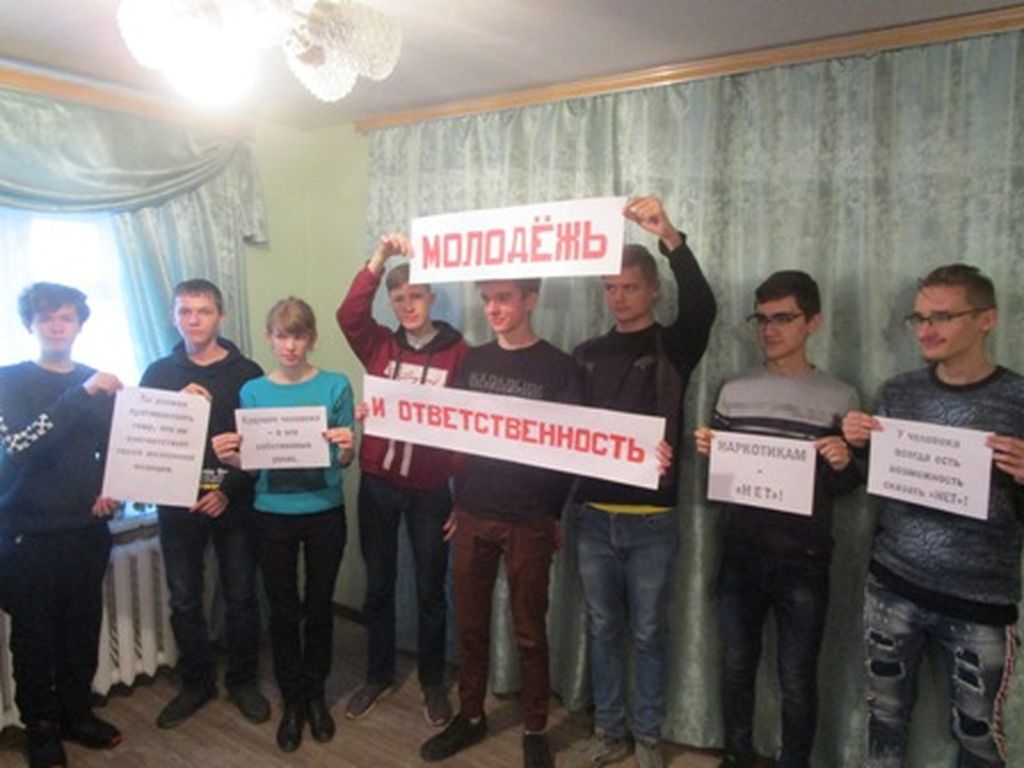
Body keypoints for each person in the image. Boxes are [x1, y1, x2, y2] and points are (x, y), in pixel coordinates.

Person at [841, 264, 1024, 768]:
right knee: (884, 718)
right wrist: (857, 445)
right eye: (919, 318)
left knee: (978, 737)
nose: (926, 329)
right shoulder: (899, 392)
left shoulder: (1018, 400)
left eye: (942, 317)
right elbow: (881, 479)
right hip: (892, 586)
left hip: (979, 601)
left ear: (986, 319)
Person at [568, 196, 716, 768]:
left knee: (650, 632)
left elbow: (703, 307)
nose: (618, 297)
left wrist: (670, 237)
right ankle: (610, 731)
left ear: (653, 290)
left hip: (652, 519)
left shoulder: (673, 346)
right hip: (592, 517)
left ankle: (649, 737)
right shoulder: (586, 352)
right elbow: (569, 433)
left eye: (629, 287)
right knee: (603, 628)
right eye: (610, 288)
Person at [694, 271, 861, 768]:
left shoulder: (841, 396)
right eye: (762, 319)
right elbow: (723, 481)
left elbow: (846, 488)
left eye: (783, 318)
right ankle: (737, 756)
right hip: (740, 551)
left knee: (797, 677)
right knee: (735, 667)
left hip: (803, 559)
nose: (769, 330)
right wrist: (712, 452)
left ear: (813, 322)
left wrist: (842, 463)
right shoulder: (733, 390)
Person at [419, 278, 580, 768]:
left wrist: (552, 512)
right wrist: (458, 500)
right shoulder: (473, 361)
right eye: (487, 299)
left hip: (530, 517)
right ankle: (471, 716)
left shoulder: (560, 367)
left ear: (530, 300)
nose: (492, 308)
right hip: (473, 511)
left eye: (504, 298)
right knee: (470, 624)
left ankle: (534, 728)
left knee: (529, 630)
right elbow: (456, 433)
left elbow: (571, 447)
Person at [336, 233, 467, 727]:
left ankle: (433, 681)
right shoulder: (379, 344)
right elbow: (348, 314)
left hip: (431, 490)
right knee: (378, 585)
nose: (408, 306)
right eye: (398, 298)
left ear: (431, 297)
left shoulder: (460, 354)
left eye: (415, 296)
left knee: (432, 590)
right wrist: (379, 258)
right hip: (378, 483)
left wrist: (462, 497)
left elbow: (469, 431)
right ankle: (378, 674)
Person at [213, 297, 354, 752]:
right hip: (272, 513)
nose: (290, 345)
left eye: (298, 336)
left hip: (324, 510)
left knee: (319, 605)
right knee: (282, 608)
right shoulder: (254, 391)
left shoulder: (336, 385)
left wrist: (348, 447)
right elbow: (255, 464)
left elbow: (343, 460)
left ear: (311, 338)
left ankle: (316, 694)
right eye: (281, 336)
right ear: (269, 338)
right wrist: (235, 459)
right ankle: (292, 699)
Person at [0, 283, 123, 768]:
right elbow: (19, 446)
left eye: (66, 317)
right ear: (30, 324)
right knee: (34, 637)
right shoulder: (9, 380)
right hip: (28, 534)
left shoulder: (97, 380)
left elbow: (116, 449)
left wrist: (115, 488)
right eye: (47, 317)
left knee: (81, 629)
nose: (57, 326)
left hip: (86, 530)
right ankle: (41, 728)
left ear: (79, 324)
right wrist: (81, 394)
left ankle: (76, 714)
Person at [139, 279, 268, 729]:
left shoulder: (248, 372)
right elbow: (145, 440)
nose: (194, 320)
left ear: (221, 316)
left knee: (241, 597)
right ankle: (196, 683)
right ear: (174, 317)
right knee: (184, 599)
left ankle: (243, 681)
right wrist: (176, 406)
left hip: (234, 501)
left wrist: (226, 491)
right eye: (185, 311)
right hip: (177, 505)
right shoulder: (158, 373)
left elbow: (261, 444)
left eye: (204, 311)